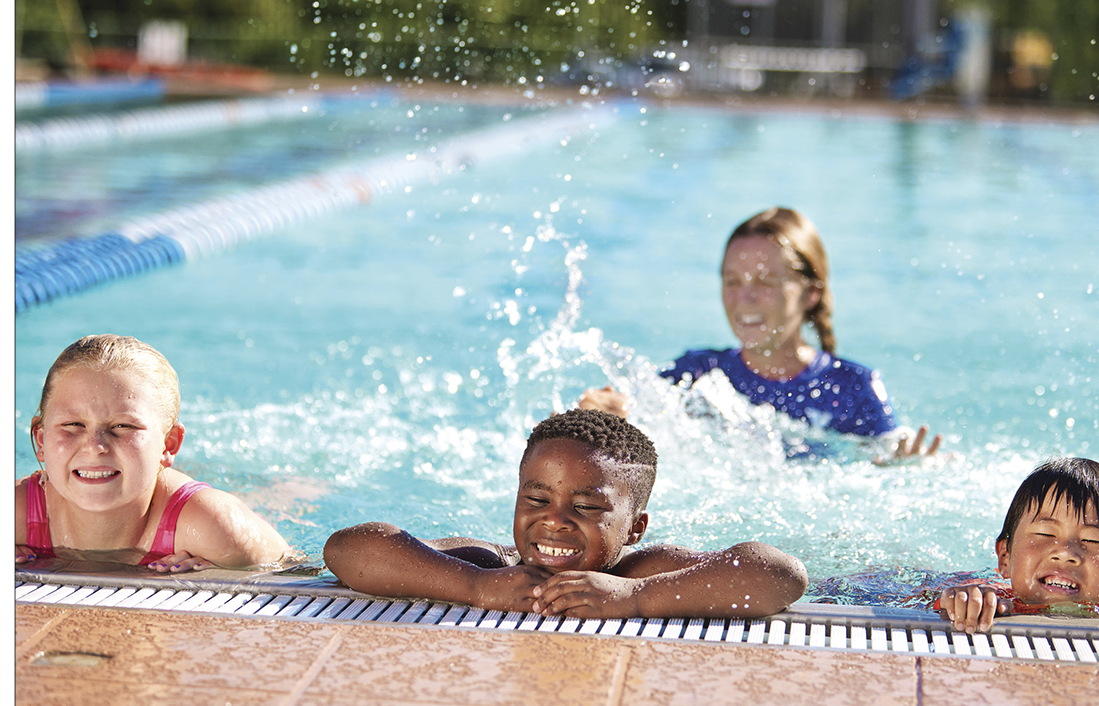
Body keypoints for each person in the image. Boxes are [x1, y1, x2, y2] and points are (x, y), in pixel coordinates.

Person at [324, 408, 808, 618]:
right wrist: (472, 586)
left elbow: (779, 575)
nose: (555, 520)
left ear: (635, 528)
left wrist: (636, 598)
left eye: (587, 506)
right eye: (537, 500)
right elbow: (347, 549)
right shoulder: (492, 565)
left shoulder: (642, 571)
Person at [579, 207, 939, 462]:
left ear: (810, 293)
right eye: (732, 281)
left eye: (765, 282)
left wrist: (903, 468)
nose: (744, 298)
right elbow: (642, 430)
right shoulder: (698, 373)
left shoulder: (854, 388)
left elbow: (885, 467)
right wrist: (610, 416)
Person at [16, 334, 291, 572]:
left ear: (168, 445)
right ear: (41, 440)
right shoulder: (15, 513)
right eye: (73, 425)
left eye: (123, 426)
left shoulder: (213, 526)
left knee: (283, 496)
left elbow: (296, 568)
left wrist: (225, 571)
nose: (95, 446)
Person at [938, 457, 1099, 633]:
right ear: (1005, 557)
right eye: (1044, 533)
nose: (1065, 553)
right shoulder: (993, 602)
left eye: (1092, 540)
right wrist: (959, 602)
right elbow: (925, 600)